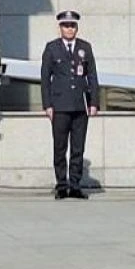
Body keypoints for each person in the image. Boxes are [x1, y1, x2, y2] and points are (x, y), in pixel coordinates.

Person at [41, 10, 99, 200]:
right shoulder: (52, 48)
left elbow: (92, 76)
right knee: (59, 147)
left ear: (76, 27)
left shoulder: (85, 47)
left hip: (79, 104)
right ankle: (61, 185)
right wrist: (47, 105)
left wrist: (94, 102)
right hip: (59, 105)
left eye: (72, 25)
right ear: (60, 27)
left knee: (78, 147)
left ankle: (75, 184)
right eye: (66, 25)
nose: (69, 29)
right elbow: (45, 78)